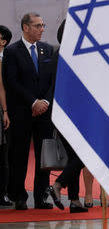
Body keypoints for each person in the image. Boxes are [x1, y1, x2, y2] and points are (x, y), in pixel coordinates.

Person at [2, 12, 54, 210]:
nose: (42, 29)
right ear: (26, 27)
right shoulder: (12, 51)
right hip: (22, 112)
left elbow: (52, 80)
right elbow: (12, 82)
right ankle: (19, 196)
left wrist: (45, 102)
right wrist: (33, 102)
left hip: (45, 113)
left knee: (44, 156)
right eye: (38, 26)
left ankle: (41, 197)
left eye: (43, 25)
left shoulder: (47, 50)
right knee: (19, 155)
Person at [46, 20, 88, 213]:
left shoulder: (57, 55)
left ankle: (74, 201)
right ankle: (58, 185)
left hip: (62, 113)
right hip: (73, 114)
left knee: (74, 157)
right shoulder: (72, 57)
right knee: (82, 156)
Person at [0, 25, 12, 206]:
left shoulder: (6, 58)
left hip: (4, 110)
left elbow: (1, 87)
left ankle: (3, 192)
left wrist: (4, 111)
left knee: (3, 154)